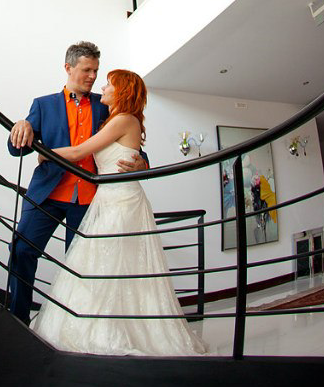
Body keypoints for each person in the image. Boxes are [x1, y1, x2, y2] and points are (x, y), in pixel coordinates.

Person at [29, 69, 206, 355]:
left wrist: (43, 153)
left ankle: (111, 330)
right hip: (108, 199)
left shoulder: (124, 119)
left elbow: (78, 152)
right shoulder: (114, 118)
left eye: (108, 84)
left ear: (121, 91)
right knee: (104, 264)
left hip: (122, 202)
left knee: (110, 265)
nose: (102, 87)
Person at [6, 41, 148, 325]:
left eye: (96, 70)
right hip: (47, 195)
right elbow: (16, 149)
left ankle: (74, 326)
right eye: (87, 70)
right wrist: (21, 125)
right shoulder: (43, 105)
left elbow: (131, 145)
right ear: (68, 68)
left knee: (80, 266)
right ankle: (18, 319)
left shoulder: (105, 104)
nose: (93, 77)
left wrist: (142, 163)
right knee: (21, 250)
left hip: (89, 200)